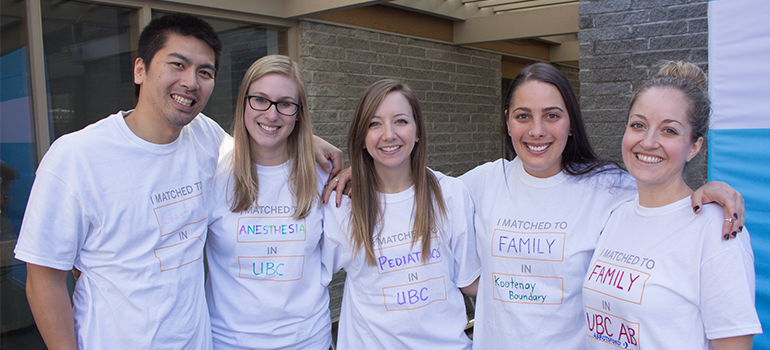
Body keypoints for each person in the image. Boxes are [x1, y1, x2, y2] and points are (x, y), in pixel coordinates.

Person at [323, 63, 745, 349]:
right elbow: (405, 187)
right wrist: (354, 173)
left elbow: (660, 195)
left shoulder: (608, 188)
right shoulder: (478, 185)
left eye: (552, 115)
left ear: (570, 121)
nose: (537, 130)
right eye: (523, 116)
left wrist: (707, 189)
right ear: (507, 121)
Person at [14, 14, 342, 350]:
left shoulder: (205, 138)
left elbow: (262, 143)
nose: (190, 82)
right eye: (177, 64)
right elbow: (43, 278)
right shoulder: (76, 156)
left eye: (205, 72)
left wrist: (310, 142)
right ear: (140, 69)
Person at [582, 61, 761, 349]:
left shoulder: (716, 231)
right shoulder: (615, 214)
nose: (648, 141)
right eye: (638, 125)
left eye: (669, 131)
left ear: (694, 146)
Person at [321, 79, 480, 350]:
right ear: (361, 137)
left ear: (417, 131)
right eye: (374, 124)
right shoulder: (343, 206)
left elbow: (472, 283)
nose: (388, 134)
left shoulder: (450, 195)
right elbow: (303, 284)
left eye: (401, 121)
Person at [205, 55, 331, 349]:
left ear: (299, 113)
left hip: (308, 341)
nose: (272, 115)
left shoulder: (323, 178)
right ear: (243, 103)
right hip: (229, 342)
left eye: (285, 104)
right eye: (260, 100)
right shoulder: (213, 174)